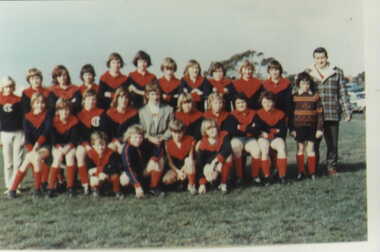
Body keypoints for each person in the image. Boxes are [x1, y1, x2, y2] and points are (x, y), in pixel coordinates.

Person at [305, 47, 352, 175]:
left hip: (332, 112)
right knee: (313, 144)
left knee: (332, 144)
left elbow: (342, 93)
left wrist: (347, 111)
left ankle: (331, 167)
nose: (320, 60)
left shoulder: (337, 72)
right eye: (317, 58)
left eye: (322, 57)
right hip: (314, 115)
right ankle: (312, 167)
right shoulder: (308, 73)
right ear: (314, 59)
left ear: (327, 57)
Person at [8, 93, 51, 198]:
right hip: (33, 148)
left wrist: (37, 144)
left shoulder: (47, 114)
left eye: (42, 102)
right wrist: (32, 149)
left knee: (33, 157)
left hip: (46, 146)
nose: (40, 105)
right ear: (32, 104)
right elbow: (27, 137)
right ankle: (15, 189)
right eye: (37, 102)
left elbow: (46, 131)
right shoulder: (27, 117)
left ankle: (34, 188)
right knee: (30, 157)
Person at [289, 72, 324, 180]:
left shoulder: (315, 96)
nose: (305, 86)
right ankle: (300, 172)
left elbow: (320, 114)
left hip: (311, 127)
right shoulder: (294, 97)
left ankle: (312, 172)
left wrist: (319, 129)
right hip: (299, 127)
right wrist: (292, 129)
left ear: (310, 84)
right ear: (299, 84)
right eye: (303, 83)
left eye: (307, 83)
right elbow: (290, 115)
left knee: (311, 149)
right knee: (300, 148)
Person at [224, 93, 261, 185]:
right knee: (235, 147)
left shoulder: (253, 113)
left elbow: (257, 130)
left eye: (243, 102)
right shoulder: (231, 115)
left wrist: (240, 127)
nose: (241, 105)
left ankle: (255, 176)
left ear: (246, 102)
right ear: (235, 105)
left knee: (256, 150)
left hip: (250, 139)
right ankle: (239, 177)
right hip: (237, 138)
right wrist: (249, 128)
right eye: (238, 103)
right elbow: (232, 131)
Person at [47, 98, 80, 197]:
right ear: (58, 111)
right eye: (62, 110)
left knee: (70, 157)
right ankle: (50, 187)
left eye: (67, 109)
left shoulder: (74, 120)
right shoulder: (53, 122)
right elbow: (53, 139)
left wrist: (67, 148)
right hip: (58, 146)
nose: (64, 112)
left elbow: (74, 139)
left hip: (70, 146)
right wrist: (60, 149)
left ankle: (70, 187)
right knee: (57, 159)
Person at [120, 124, 165, 198]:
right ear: (129, 137)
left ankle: (153, 187)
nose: (138, 140)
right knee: (124, 180)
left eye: (140, 137)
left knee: (159, 161)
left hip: (144, 171)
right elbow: (128, 168)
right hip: (131, 173)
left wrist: (154, 159)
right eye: (135, 137)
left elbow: (159, 149)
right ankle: (135, 189)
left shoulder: (144, 143)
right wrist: (137, 185)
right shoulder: (126, 149)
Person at [75, 90, 107, 195]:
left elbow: (103, 131)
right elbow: (77, 134)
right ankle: (85, 184)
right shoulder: (79, 115)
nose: (91, 101)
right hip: (84, 143)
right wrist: (87, 146)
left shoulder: (101, 113)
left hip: (98, 142)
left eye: (93, 99)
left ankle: (100, 181)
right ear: (83, 101)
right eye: (88, 99)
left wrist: (97, 144)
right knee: (80, 152)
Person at [253, 91, 288, 184]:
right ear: (261, 103)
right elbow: (256, 130)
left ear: (273, 102)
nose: (267, 104)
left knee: (281, 146)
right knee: (264, 148)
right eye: (264, 102)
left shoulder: (280, 114)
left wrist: (269, 133)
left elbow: (283, 131)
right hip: (263, 138)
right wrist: (272, 131)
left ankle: (282, 176)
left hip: (275, 138)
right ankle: (266, 176)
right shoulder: (258, 114)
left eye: (269, 102)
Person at [0, 76, 25, 193]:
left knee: (18, 161)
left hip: (18, 132)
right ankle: (9, 185)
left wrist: (24, 133)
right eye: (6, 86)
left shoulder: (18, 100)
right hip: (5, 133)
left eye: (10, 86)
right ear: (2, 87)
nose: (8, 88)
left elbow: (23, 118)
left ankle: (16, 185)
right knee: (8, 161)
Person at [196, 118, 233, 194]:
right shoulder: (203, 143)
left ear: (217, 127)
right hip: (208, 166)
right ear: (205, 132)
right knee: (210, 174)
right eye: (209, 129)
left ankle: (223, 183)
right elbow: (200, 163)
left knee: (229, 157)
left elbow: (228, 149)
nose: (212, 130)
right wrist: (202, 183)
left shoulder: (223, 135)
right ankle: (208, 183)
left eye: (213, 127)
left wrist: (215, 161)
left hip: (218, 163)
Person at [162, 119, 197, 195]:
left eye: (179, 132)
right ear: (171, 132)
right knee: (166, 180)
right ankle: (181, 184)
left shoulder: (190, 140)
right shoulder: (167, 143)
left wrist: (182, 170)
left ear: (183, 131)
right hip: (175, 167)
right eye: (174, 132)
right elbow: (170, 162)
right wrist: (178, 172)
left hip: (187, 166)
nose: (177, 135)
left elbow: (191, 157)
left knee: (189, 161)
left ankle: (191, 185)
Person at [86, 131, 122, 199]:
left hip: (108, 175)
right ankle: (95, 190)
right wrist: (98, 173)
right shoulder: (90, 154)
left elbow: (115, 168)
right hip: (98, 176)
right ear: (93, 145)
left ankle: (117, 191)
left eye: (103, 144)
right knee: (93, 179)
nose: (100, 147)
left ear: (106, 144)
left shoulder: (111, 153)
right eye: (98, 145)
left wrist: (102, 171)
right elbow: (89, 170)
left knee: (115, 175)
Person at [138, 81, 173, 148]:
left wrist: (162, 138)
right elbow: (141, 129)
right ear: (147, 95)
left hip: (164, 141)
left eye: (157, 94)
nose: (155, 97)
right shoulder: (142, 111)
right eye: (152, 94)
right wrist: (150, 138)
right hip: (147, 141)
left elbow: (171, 128)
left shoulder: (168, 109)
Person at [104, 87, 139, 153]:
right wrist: (117, 143)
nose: (124, 100)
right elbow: (107, 133)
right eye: (121, 97)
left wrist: (125, 143)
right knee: (111, 148)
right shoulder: (109, 114)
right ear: (116, 99)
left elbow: (134, 131)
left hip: (129, 141)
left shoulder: (134, 113)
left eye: (126, 98)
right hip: (113, 142)